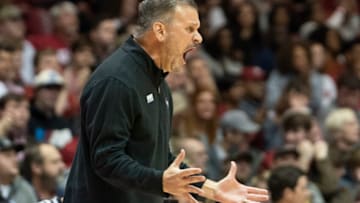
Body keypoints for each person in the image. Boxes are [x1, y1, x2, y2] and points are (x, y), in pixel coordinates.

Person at [63, 0, 269, 203]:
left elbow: (158, 159)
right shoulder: (116, 81)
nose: (199, 38)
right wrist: (160, 182)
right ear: (160, 31)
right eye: (190, 29)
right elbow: (107, 160)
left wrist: (211, 188)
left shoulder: (159, 83)